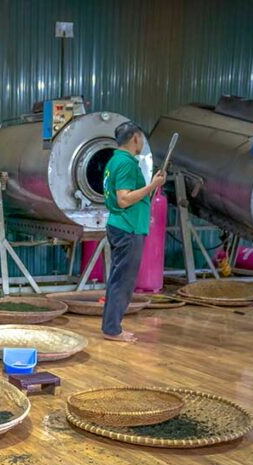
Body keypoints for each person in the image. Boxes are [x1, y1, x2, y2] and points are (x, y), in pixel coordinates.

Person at [101, 121, 166, 343]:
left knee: (118, 279)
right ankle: (113, 330)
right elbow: (124, 198)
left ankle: (111, 327)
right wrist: (151, 186)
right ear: (135, 138)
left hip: (122, 224)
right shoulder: (127, 163)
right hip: (127, 227)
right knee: (123, 281)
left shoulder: (115, 160)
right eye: (141, 138)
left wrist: (154, 185)